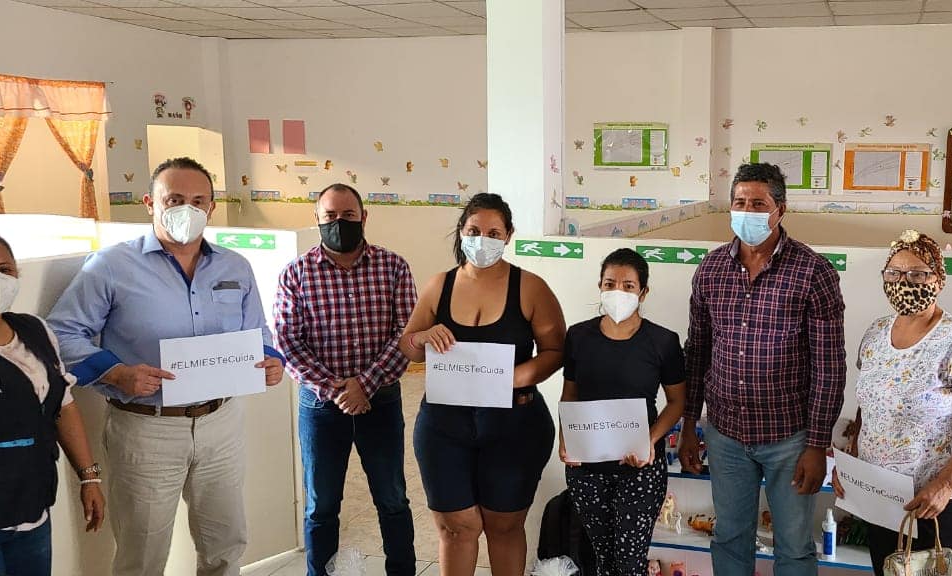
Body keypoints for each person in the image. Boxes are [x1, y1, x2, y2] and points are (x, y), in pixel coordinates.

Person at [47, 157, 285, 576]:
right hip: (146, 428)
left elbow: (257, 330)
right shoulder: (111, 267)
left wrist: (272, 359)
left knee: (226, 544)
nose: (187, 210)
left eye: (198, 201)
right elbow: (60, 335)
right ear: (150, 203)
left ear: (211, 207)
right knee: (143, 554)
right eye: (175, 199)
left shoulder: (235, 266)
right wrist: (116, 372)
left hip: (221, 423)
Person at [680, 163, 847, 576]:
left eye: (758, 203)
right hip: (725, 434)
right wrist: (688, 424)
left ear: (780, 210)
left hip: (789, 438)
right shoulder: (711, 269)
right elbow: (697, 351)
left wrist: (817, 444)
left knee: (793, 545)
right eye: (739, 202)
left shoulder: (813, 272)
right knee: (729, 537)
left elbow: (829, 366)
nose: (747, 211)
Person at [398, 193, 565, 576]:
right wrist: (422, 337)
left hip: (514, 425)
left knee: (504, 527)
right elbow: (409, 347)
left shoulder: (530, 288)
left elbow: (556, 351)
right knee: (456, 528)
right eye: (474, 231)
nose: (482, 240)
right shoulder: (439, 285)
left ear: (508, 236)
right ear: (461, 231)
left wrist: (514, 377)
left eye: (493, 233)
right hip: (444, 425)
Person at [832, 230, 952, 576]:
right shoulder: (876, 333)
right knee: (886, 570)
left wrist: (945, 487)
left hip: (932, 501)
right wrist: (852, 463)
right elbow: (869, 407)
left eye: (917, 274)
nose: (904, 283)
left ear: (938, 280)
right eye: (894, 273)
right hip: (880, 494)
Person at [274, 184, 417, 576]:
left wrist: (364, 385)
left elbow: (406, 334)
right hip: (320, 407)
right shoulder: (296, 273)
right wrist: (334, 389)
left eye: (349, 215)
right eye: (330, 216)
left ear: (364, 217)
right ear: (317, 219)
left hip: (381, 401)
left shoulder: (393, 267)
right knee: (321, 506)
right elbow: (287, 341)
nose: (340, 223)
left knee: (392, 498)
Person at [558, 248, 686, 576]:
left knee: (630, 563)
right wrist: (565, 438)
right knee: (603, 559)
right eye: (610, 283)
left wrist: (650, 440)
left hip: (639, 467)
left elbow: (677, 402)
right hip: (588, 467)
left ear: (643, 292)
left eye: (628, 286)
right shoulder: (578, 336)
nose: (618, 292)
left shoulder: (663, 341)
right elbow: (570, 394)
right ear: (599, 286)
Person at [0, 234, 105, 576]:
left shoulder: (34, 331)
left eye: (4, 269)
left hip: (31, 507)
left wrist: (89, 478)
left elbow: (63, 406)